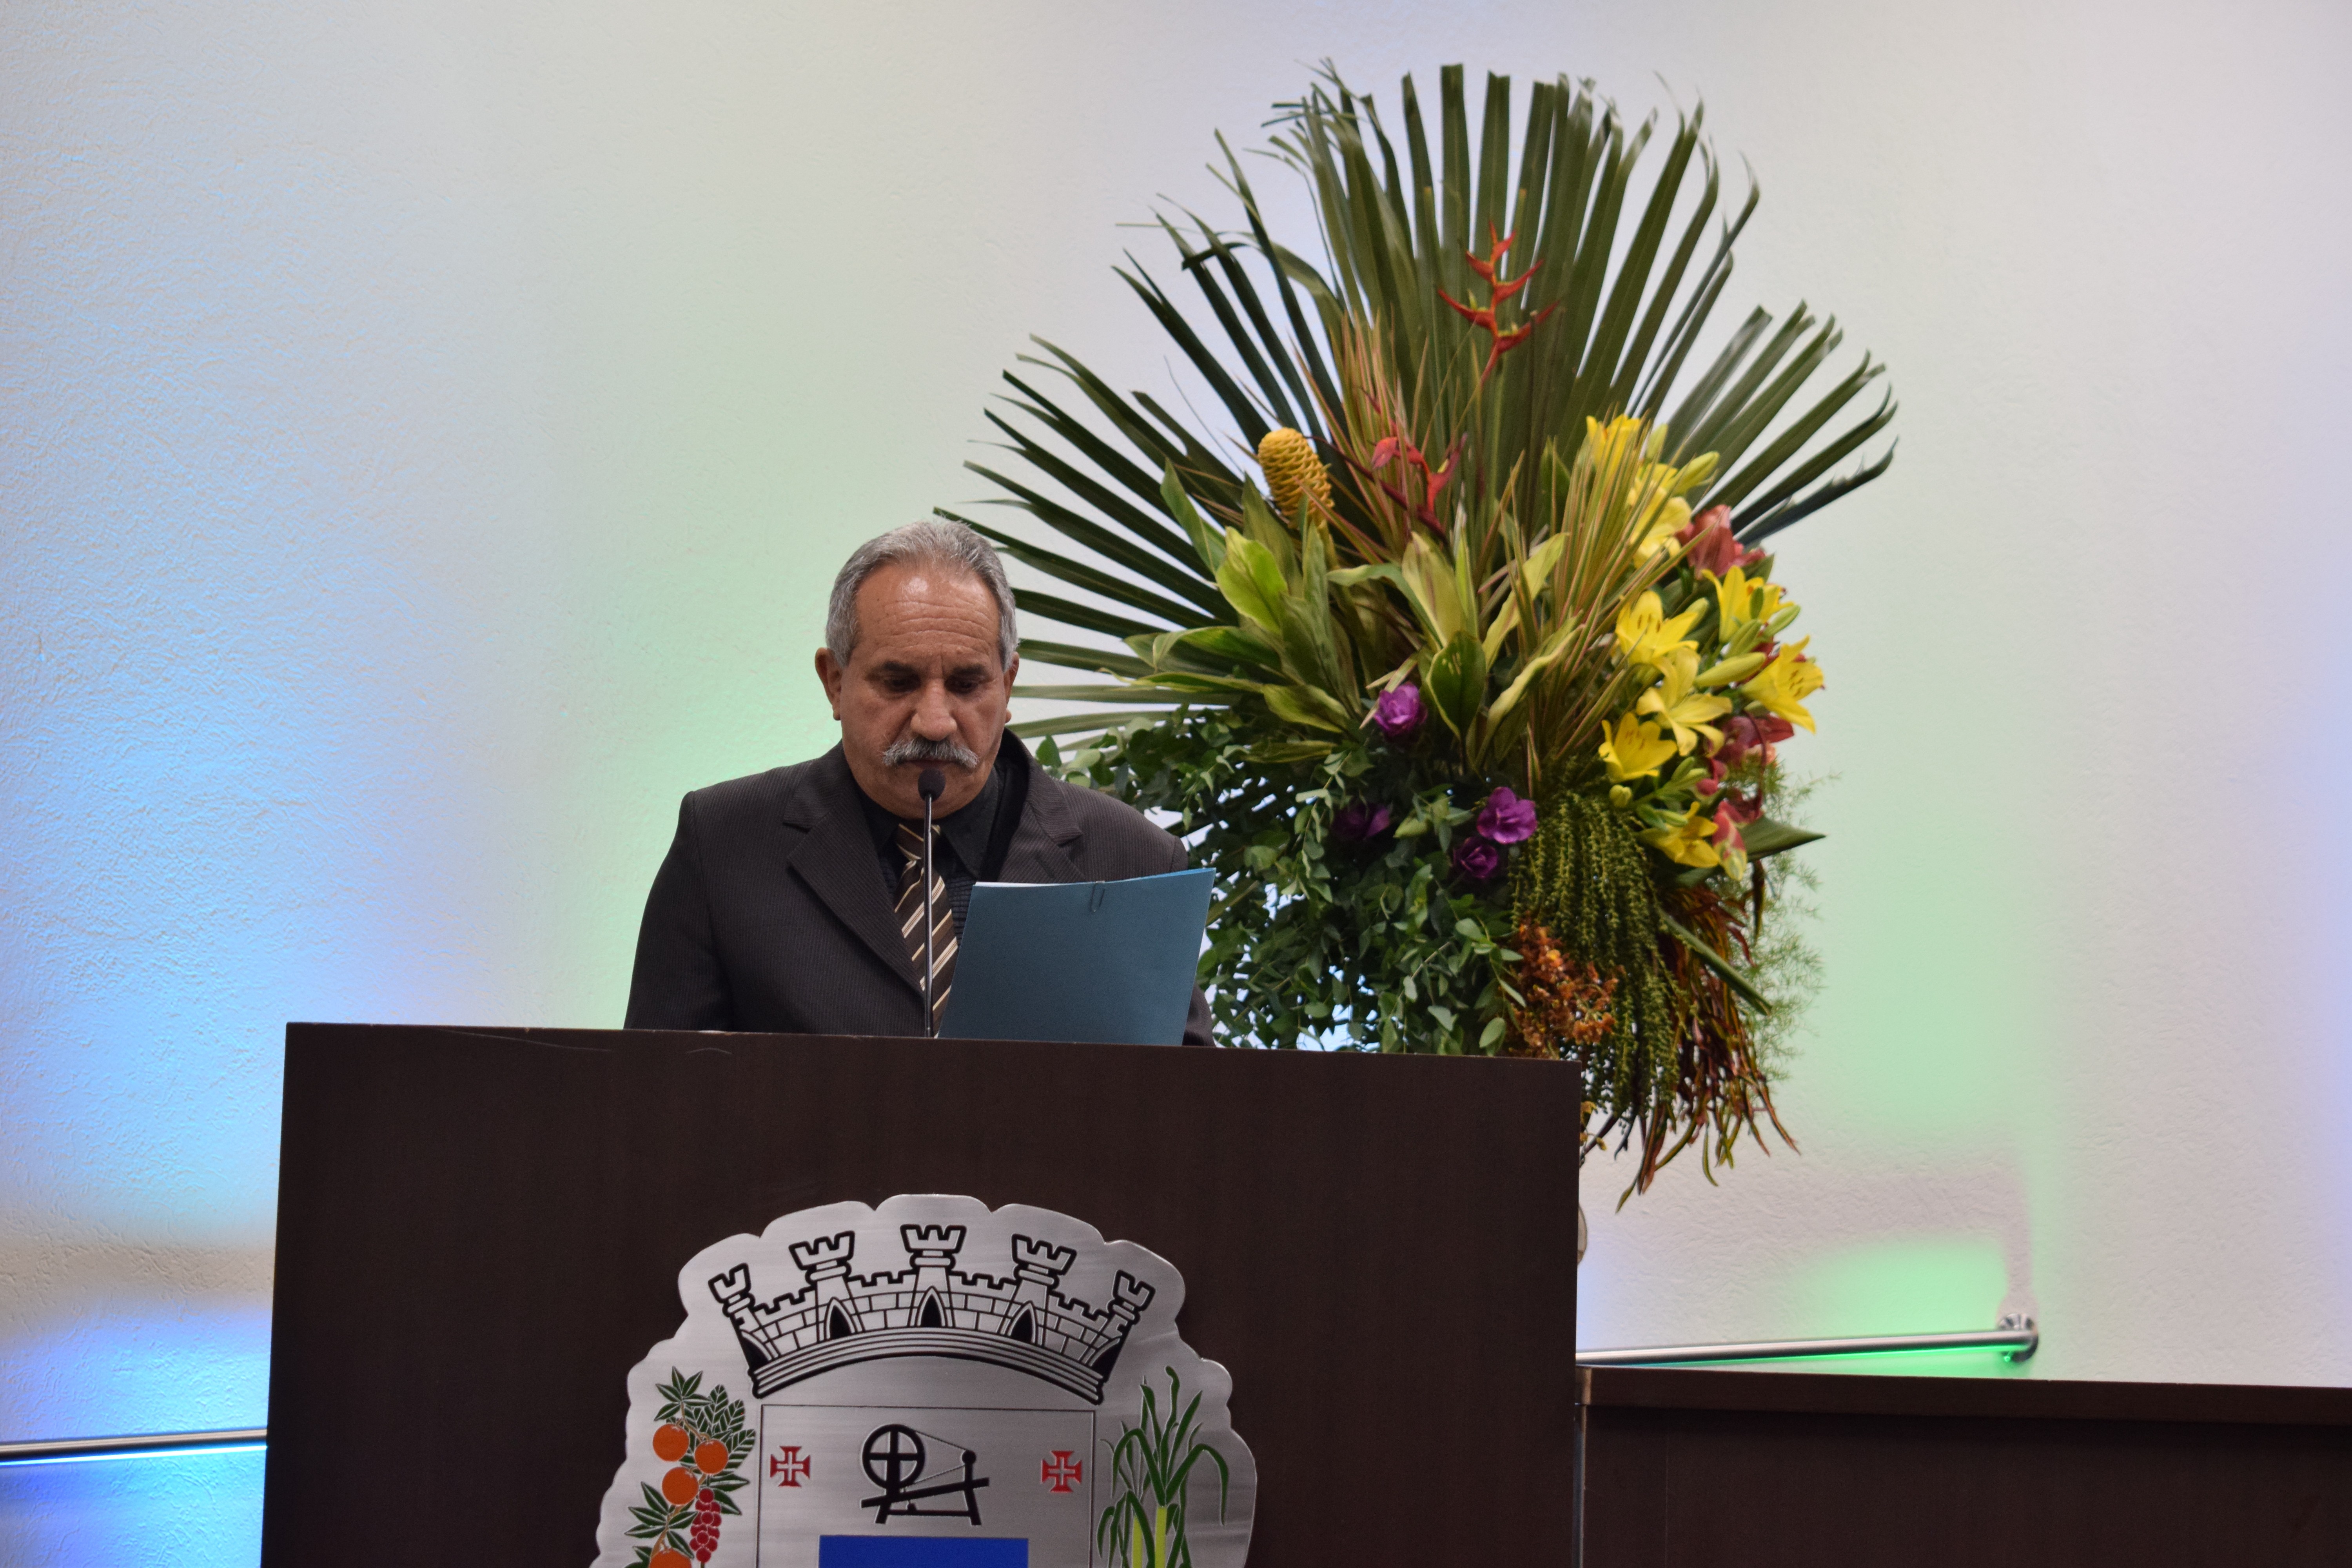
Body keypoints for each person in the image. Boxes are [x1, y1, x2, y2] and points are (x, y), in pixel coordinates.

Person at [624, 519, 1214, 1044]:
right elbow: (653, 1101)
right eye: (898, 682)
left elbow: (1188, 1110)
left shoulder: (1136, 862)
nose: (934, 722)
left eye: (967, 684)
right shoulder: (722, 846)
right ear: (834, 681)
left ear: (1007, 684)